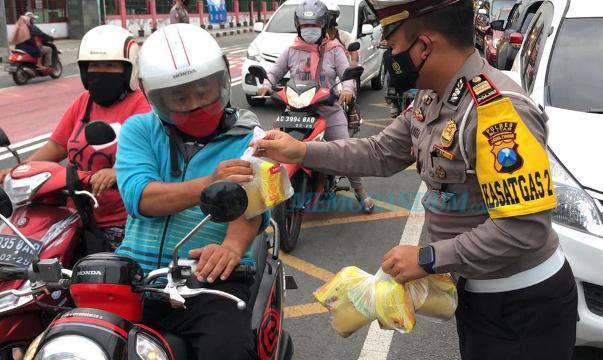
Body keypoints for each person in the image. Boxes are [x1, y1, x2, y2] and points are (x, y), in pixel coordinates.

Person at [254, 0, 578, 359]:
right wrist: (301, 153)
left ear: (424, 47)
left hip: (523, 306)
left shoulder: (498, 111)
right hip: (477, 294)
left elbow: (524, 229)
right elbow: (380, 152)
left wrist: (427, 257)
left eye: (393, 48)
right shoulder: (431, 94)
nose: (388, 56)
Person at [115, 24, 267, 360]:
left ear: (221, 81)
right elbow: (140, 197)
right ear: (157, 97)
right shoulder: (138, 130)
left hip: (207, 278)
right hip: (134, 273)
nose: (196, 104)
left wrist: (230, 247)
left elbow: (252, 204)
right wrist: (208, 182)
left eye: (203, 90)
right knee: (77, 337)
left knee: (226, 351)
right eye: (180, 98)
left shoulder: (249, 136)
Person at [1, 24, 150, 250]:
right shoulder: (84, 102)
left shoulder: (142, 107)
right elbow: (56, 147)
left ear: (129, 69)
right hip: (73, 215)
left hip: (121, 223)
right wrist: (18, 171)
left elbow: (151, 156)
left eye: (110, 65)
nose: (100, 73)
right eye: (94, 66)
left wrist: (117, 172)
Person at [256, 0, 374, 212]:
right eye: (305, 26)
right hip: (296, 110)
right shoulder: (292, 49)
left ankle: (361, 193)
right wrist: (266, 85)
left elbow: (346, 74)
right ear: (298, 27)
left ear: (323, 26)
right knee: (272, 147)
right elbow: (275, 72)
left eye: (314, 26)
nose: (309, 30)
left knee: (346, 152)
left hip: (328, 110)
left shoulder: (334, 49)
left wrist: (348, 89)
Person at [323, 0, 359, 66]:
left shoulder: (344, 36)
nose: (328, 19)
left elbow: (354, 52)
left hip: (341, 71)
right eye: (325, 16)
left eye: (331, 16)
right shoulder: (316, 36)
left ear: (336, 17)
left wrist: (353, 64)